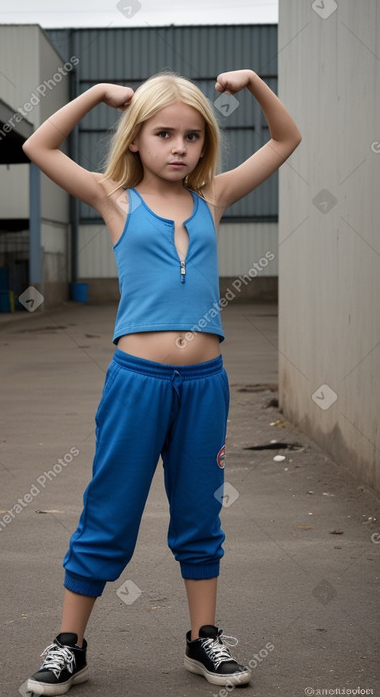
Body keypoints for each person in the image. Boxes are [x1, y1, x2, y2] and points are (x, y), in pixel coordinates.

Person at [22, 69, 301, 695]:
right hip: (136, 384)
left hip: (205, 385)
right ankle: (71, 644)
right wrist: (97, 95)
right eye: (164, 133)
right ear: (136, 140)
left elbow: (286, 139)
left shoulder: (215, 199)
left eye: (194, 137)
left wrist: (254, 83)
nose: (180, 147)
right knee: (111, 508)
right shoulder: (112, 198)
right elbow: (36, 146)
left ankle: (204, 640)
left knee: (200, 510)